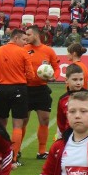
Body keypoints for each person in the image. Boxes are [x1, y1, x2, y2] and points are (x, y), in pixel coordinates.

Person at [0, 28, 34, 163]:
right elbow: (31, 75)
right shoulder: (23, 53)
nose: (25, 43)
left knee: (1, 122)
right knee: (18, 124)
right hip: (19, 88)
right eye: (24, 40)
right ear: (16, 38)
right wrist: (24, 82)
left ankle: (0, 153)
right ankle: (13, 157)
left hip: (1, 89)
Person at [23, 26, 60, 159]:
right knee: (23, 121)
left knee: (44, 120)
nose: (26, 37)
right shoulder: (23, 49)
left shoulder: (48, 51)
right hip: (25, 89)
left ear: (36, 35)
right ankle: (17, 150)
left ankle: (42, 151)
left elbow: (56, 68)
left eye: (28, 34)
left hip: (42, 90)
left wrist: (54, 76)